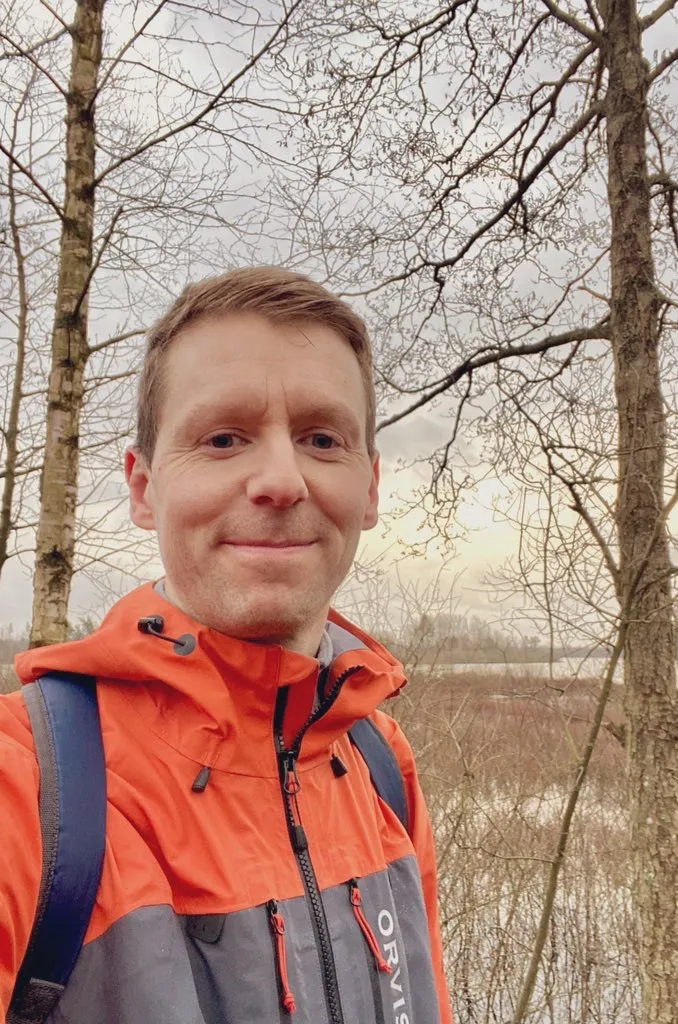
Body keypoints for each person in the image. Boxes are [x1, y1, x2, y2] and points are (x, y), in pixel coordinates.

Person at [0, 267, 453, 1023]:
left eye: (321, 438)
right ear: (144, 489)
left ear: (369, 488)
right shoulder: (29, 787)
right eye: (222, 439)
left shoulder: (380, 761)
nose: (281, 479)